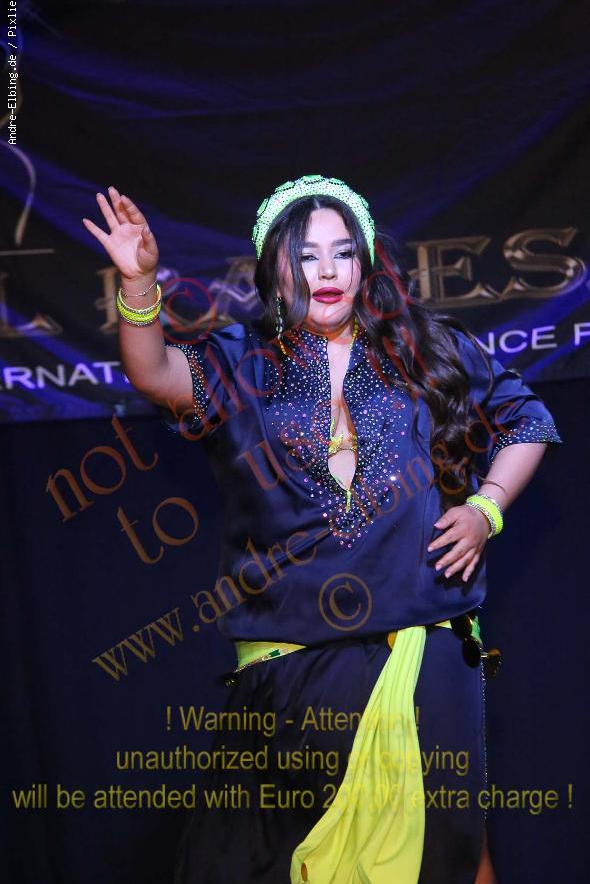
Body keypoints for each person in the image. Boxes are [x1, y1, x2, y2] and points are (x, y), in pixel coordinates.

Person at [83, 174, 562, 883]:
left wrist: (485, 508)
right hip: (288, 669)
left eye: (343, 252)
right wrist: (138, 283)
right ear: (275, 268)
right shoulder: (239, 362)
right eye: (306, 256)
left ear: (365, 263)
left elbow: (527, 420)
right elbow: (152, 372)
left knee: (447, 854)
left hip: (420, 651)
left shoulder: (425, 348)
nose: (327, 270)